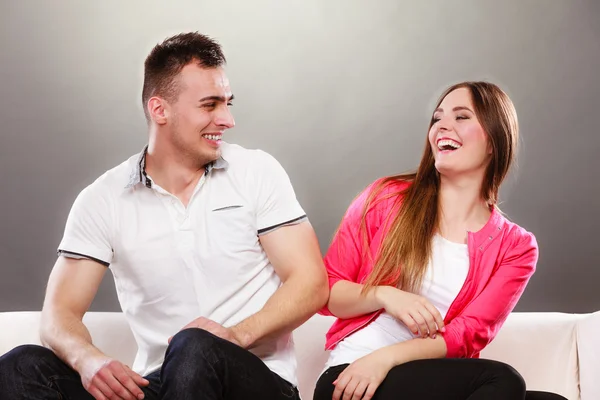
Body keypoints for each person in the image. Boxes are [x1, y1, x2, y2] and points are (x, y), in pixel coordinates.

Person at [0, 32, 329, 400]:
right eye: (210, 105)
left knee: (194, 347)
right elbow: (59, 314)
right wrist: (88, 360)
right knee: (21, 365)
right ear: (160, 110)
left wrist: (236, 335)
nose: (227, 119)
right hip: (161, 385)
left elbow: (311, 282)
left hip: (256, 381)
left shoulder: (257, 171)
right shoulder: (103, 199)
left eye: (228, 103)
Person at [313, 82, 567, 400]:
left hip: (404, 372)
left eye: (462, 117)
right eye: (437, 118)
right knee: (502, 380)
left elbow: (468, 335)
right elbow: (328, 292)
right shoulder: (386, 196)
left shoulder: (516, 247)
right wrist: (385, 295)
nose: (443, 126)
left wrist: (386, 359)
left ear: (494, 141)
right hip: (354, 379)